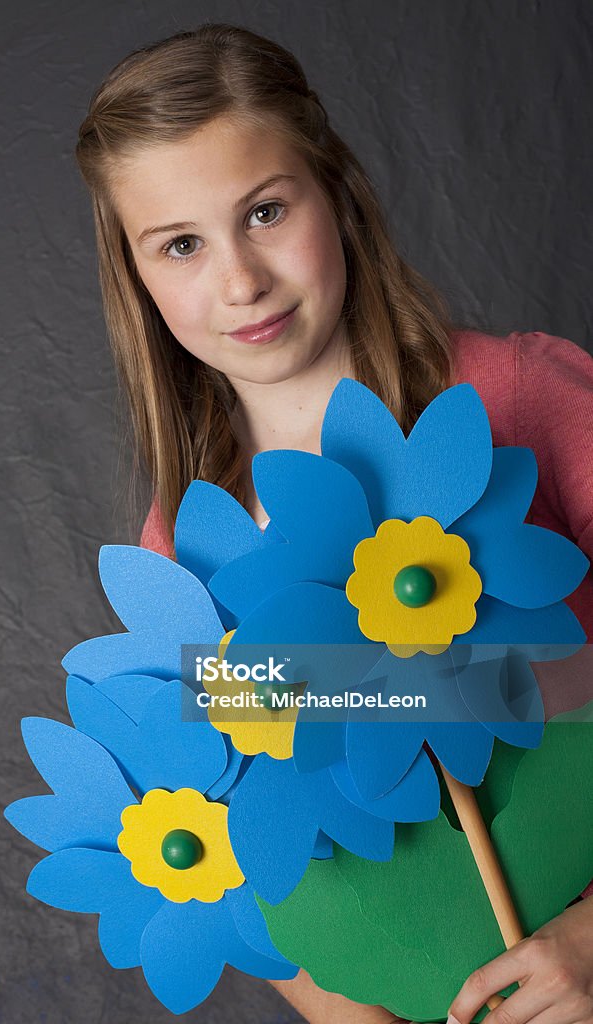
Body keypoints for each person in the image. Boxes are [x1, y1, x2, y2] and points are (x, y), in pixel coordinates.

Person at [74, 22, 593, 1024]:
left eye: (263, 211)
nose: (239, 281)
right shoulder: (181, 553)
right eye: (180, 243)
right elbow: (253, 869)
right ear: (136, 276)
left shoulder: (521, 396)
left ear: (335, 191)